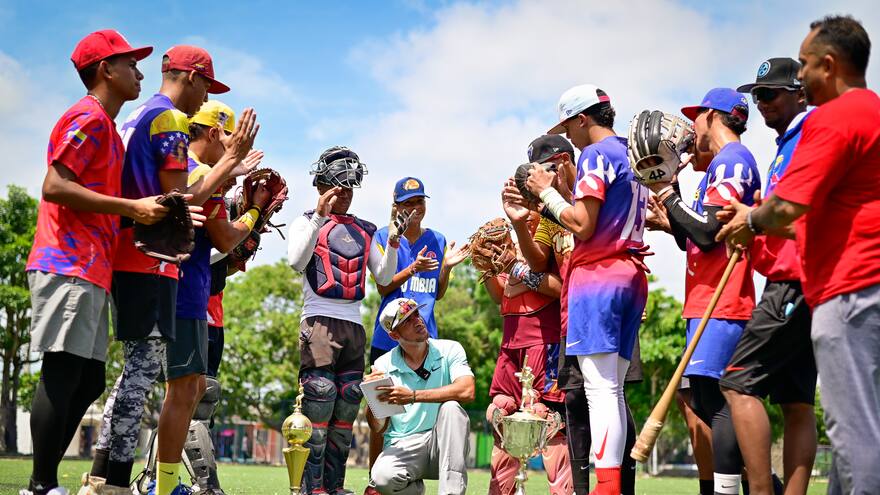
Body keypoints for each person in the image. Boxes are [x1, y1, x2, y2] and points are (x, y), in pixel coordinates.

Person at [717, 15, 880, 494]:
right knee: (847, 423)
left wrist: (748, 220)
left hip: (844, 286)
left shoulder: (835, 117)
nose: (802, 77)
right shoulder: (871, 111)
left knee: (853, 435)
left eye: (806, 65)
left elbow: (789, 206)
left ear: (828, 66)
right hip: (848, 286)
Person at [84, 45, 256, 495]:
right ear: (192, 76)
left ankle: (107, 476)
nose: (205, 96)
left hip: (135, 252)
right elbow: (183, 200)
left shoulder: (140, 115)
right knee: (141, 376)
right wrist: (231, 163)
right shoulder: (169, 118)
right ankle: (113, 481)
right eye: (207, 85)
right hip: (148, 259)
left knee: (140, 374)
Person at [22, 29, 161, 495]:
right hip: (66, 263)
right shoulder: (87, 117)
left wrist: (154, 218)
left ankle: (41, 482)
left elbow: (104, 203)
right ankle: (40, 486)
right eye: (130, 63)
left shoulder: (108, 129)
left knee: (89, 380)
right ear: (106, 69)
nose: (139, 71)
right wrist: (131, 209)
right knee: (64, 373)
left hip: (91, 269)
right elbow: (54, 185)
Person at [525, 85, 649, 495]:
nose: (570, 138)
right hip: (631, 273)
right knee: (610, 389)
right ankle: (610, 485)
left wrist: (545, 191)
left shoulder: (596, 154)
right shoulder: (631, 151)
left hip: (598, 277)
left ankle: (607, 488)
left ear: (583, 118)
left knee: (600, 390)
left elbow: (582, 224)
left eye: (570, 127)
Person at [644, 87, 761, 494]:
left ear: (713, 116)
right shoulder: (719, 167)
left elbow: (709, 233)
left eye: (696, 117)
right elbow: (695, 236)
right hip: (708, 297)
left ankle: (737, 489)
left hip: (724, 299)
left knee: (719, 402)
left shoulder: (732, 160)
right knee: (706, 400)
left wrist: (667, 193)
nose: (691, 127)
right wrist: (670, 220)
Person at [152, 100, 268, 495]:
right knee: (184, 390)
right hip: (182, 293)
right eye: (231, 139)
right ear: (215, 132)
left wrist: (232, 173)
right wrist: (254, 212)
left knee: (194, 388)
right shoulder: (197, 172)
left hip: (194, 291)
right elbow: (225, 237)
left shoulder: (203, 173)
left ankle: (163, 480)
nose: (234, 147)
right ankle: (161, 485)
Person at [718, 58, 817, 495]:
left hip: (796, 283)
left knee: (737, 382)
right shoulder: (786, 144)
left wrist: (753, 218)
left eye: (771, 93)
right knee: (795, 402)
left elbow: (805, 214)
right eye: (757, 95)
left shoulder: (808, 137)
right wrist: (750, 229)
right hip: (796, 280)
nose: (762, 103)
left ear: (801, 92)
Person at [287, 147, 400, 494]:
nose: (345, 195)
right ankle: (311, 486)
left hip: (353, 325)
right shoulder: (305, 221)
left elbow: (383, 275)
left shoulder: (366, 229)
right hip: (319, 320)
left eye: (350, 189)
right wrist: (320, 217)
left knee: (347, 408)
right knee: (318, 403)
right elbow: (296, 261)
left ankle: (335, 486)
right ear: (321, 186)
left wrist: (393, 240)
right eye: (338, 188)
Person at [367, 177, 468, 467]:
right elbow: (384, 287)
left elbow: (438, 292)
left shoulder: (436, 238)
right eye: (408, 203)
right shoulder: (383, 236)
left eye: (419, 202)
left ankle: (423, 470)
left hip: (427, 341)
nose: (415, 208)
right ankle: (376, 478)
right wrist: (412, 268)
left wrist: (446, 268)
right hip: (388, 340)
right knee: (382, 412)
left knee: (430, 411)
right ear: (396, 206)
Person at [482, 205, 570, 495]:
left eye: (525, 205)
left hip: (543, 340)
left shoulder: (551, 233)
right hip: (510, 343)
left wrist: (513, 266)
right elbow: (502, 296)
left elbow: (562, 287)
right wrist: (487, 270)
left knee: (545, 420)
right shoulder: (512, 243)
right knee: (500, 415)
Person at [365, 298, 475, 495]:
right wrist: (373, 398)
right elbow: (377, 427)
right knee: (382, 478)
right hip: (404, 447)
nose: (418, 320)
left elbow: (467, 390)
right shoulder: (382, 365)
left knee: (451, 408)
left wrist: (413, 396)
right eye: (407, 320)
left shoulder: (450, 349)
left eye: (416, 313)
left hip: (444, 445)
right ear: (393, 334)